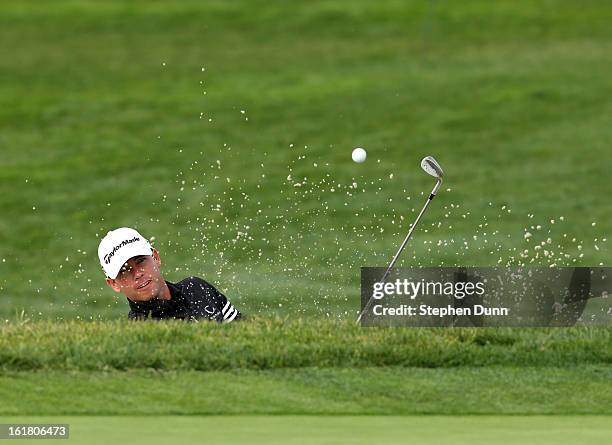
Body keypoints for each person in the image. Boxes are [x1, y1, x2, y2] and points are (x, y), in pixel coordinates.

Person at [97, 227, 241, 322]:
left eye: (141, 261)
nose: (137, 273)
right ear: (114, 284)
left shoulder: (196, 288)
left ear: (155, 257)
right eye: (124, 270)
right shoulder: (140, 331)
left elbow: (244, 332)